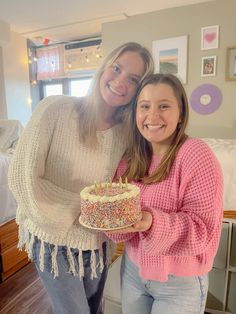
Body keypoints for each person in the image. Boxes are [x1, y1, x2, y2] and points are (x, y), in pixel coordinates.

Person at [8, 42, 154, 314]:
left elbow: (126, 185)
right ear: (104, 67)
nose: (120, 81)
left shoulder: (126, 133)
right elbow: (21, 178)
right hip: (53, 239)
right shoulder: (55, 109)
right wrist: (90, 207)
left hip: (97, 242)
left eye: (133, 79)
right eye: (117, 68)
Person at [107, 73, 223, 314]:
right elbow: (118, 225)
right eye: (145, 106)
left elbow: (202, 231)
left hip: (180, 282)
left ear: (181, 114)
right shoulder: (129, 158)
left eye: (164, 106)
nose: (152, 116)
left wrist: (150, 221)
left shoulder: (196, 154)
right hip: (132, 272)